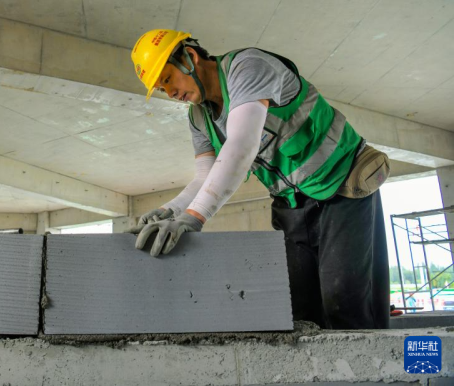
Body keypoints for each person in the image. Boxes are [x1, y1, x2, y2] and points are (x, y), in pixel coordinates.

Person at [127, 29, 391, 330]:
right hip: (293, 206)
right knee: (299, 309)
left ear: (189, 57)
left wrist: (194, 218)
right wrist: (171, 211)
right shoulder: (198, 118)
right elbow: (204, 176)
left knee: (343, 300)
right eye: (161, 89)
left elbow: (241, 144)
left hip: (341, 184)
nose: (171, 93)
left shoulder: (247, 68)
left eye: (168, 78)